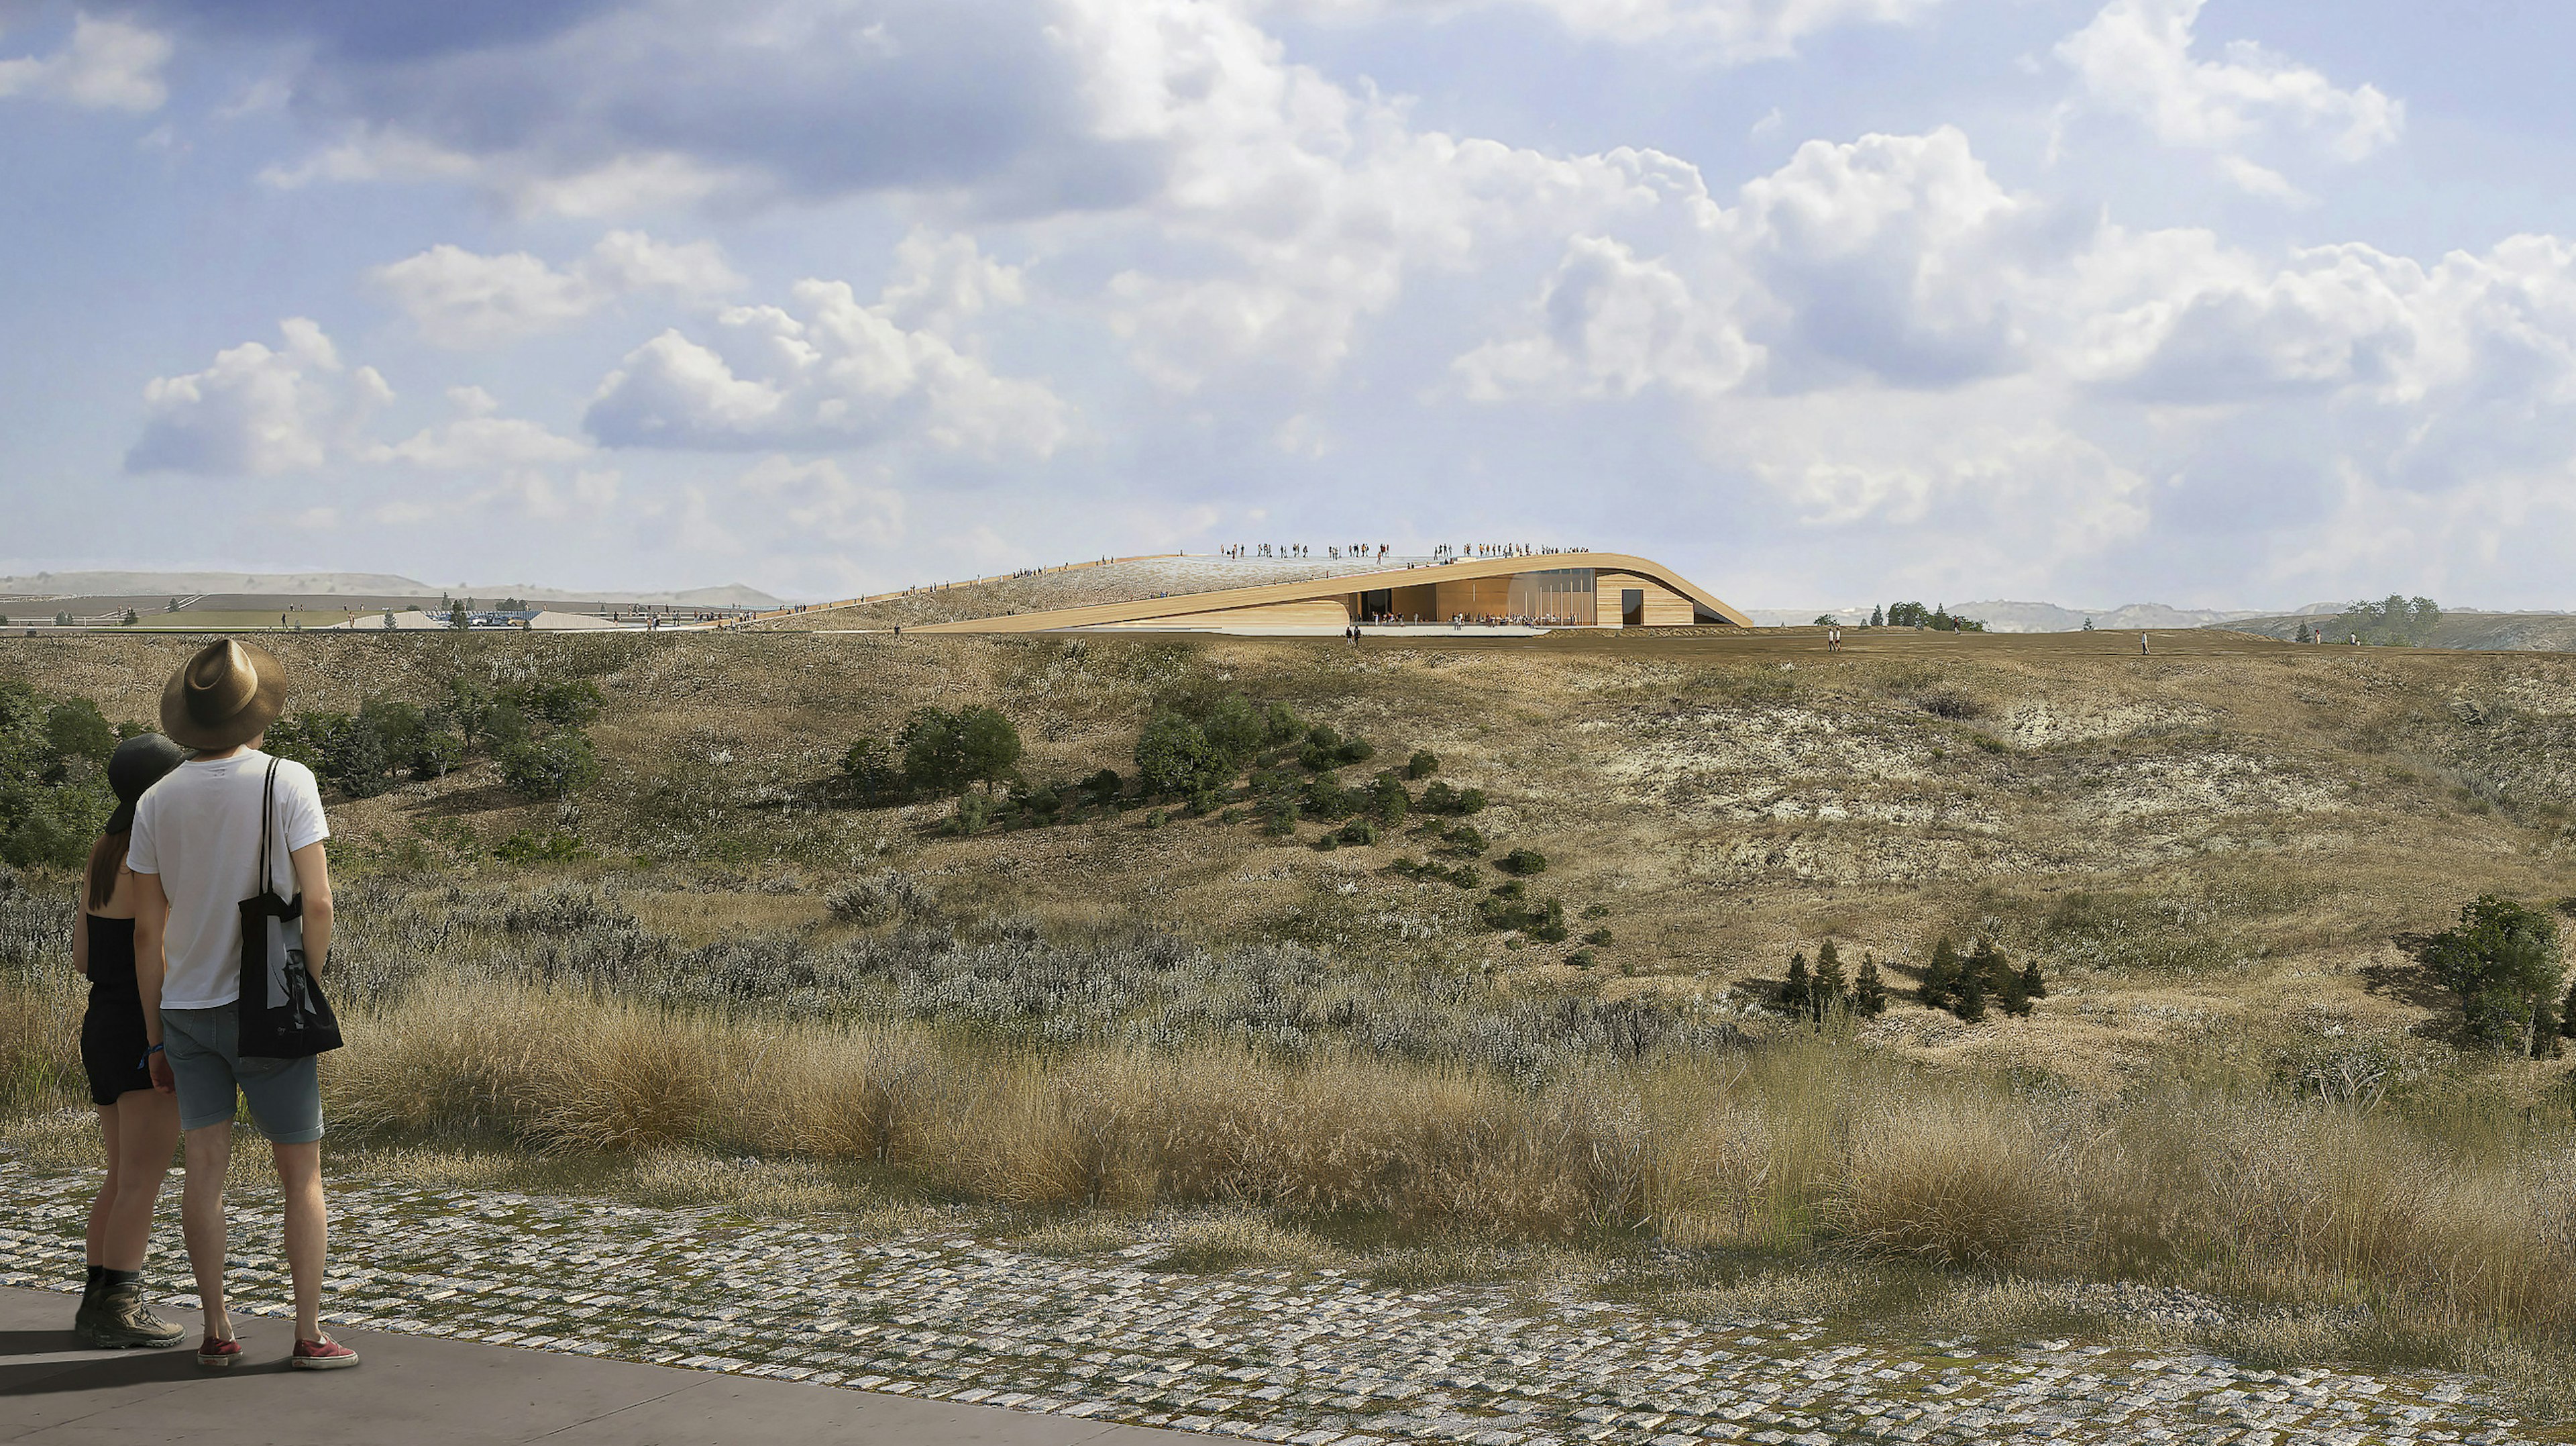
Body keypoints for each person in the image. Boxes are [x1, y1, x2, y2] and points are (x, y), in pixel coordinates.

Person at [131, 639, 357, 1372]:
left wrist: (156, 1037)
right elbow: (318, 902)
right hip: (267, 1003)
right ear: (257, 710)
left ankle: (218, 1328)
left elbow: (146, 931)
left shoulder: (155, 800)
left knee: (204, 1170)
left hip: (186, 1010)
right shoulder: (287, 781)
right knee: (303, 1176)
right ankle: (308, 1332)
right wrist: (301, 984)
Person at [72, 734, 193, 1349]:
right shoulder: (150, 855)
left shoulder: (101, 849)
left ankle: (97, 1300)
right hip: (141, 1023)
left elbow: (81, 955)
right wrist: (158, 1035)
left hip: (100, 1019)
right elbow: (155, 946)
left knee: (121, 1173)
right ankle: (120, 1305)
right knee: (143, 1177)